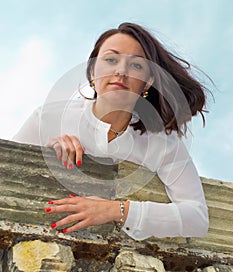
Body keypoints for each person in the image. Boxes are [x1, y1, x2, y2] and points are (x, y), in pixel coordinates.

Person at [13, 22, 209, 240]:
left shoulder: (164, 143)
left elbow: (197, 218)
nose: (121, 71)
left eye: (136, 66)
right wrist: (44, 154)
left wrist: (117, 210)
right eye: (111, 59)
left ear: (147, 83)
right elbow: (7, 174)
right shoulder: (48, 119)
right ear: (92, 71)